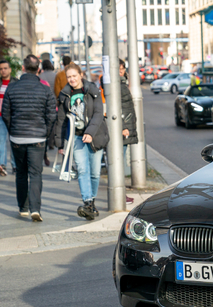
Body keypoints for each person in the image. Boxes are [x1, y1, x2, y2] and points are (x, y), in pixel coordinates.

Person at [2, 55, 57, 221]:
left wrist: (13, 130)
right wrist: (45, 133)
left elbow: (5, 113)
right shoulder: (45, 89)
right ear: (38, 69)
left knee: (20, 173)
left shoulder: (11, 88)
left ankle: (23, 208)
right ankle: (35, 209)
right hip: (38, 137)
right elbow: (51, 115)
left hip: (18, 138)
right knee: (35, 173)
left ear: (23, 68)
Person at [55, 63, 109, 221]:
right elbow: (61, 120)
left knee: (95, 173)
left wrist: (90, 132)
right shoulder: (65, 94)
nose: (72, 79)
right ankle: (87, 202)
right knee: (82, 170)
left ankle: (91, 203)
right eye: (69, 77)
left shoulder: (92, 90)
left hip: (95, 136)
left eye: (74, 76)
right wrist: (60, 143)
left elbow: (99, 113)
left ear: (81, 75)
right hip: (77, 137)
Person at [119, 59, 138, 204]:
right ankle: (120, 194)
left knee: (121, 160)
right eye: (118, 68)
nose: (121, 70)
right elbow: (117, 107)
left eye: (123, 68)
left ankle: (121, 193)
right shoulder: (116, 84)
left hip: (125, 126)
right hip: (123, 128)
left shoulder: (121, 83)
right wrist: (123, 127)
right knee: (120, 162)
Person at [0, 58, 18, 176]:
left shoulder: (16, 83)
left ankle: (15, 165)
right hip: (0, 117)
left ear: (10, 69)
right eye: (1, 69)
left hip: (13, 117)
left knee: (14, 142)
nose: (3, 71)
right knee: (1, 141)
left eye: (5, 68)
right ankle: (2, 165)